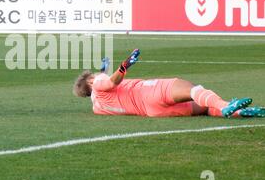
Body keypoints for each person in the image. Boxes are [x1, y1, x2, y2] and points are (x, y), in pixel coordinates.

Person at [73, 49, 265, 118]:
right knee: (194, 89)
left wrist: (105, 73)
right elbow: (111, 82)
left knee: (204, 108)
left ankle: (239, 112)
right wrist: (124, 65)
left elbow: (105, 87)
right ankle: (226, 107)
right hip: (149, 92)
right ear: (90, 81)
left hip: (153, 112)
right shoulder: (98, 81)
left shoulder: (97, 106)